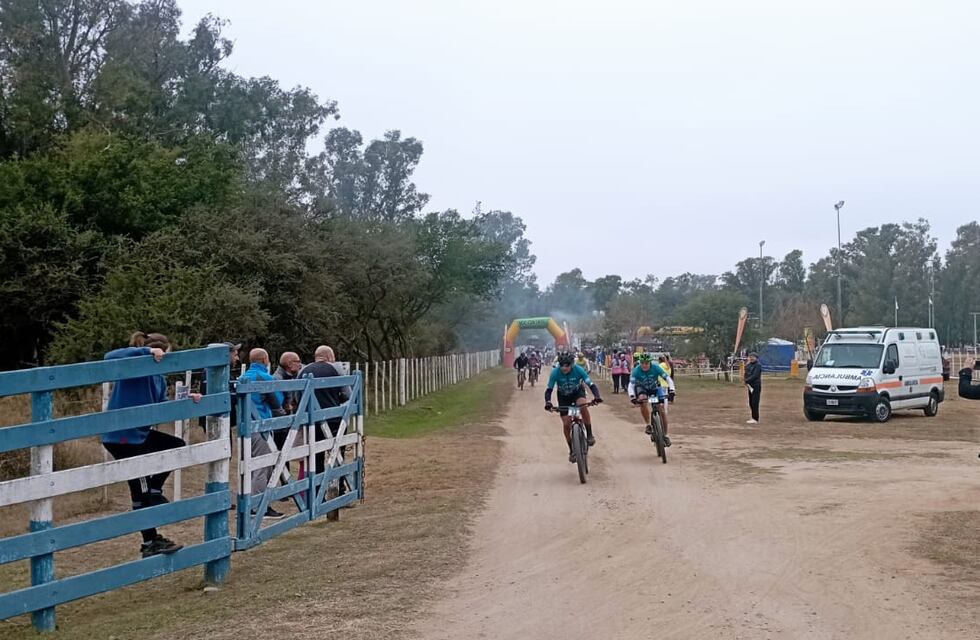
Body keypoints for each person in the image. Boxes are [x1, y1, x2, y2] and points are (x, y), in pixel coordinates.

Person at [102, 331, 203, 558]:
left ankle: (156, 491)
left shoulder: (159, 378)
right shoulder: (133, 366)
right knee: (140, 489)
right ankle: (150, 542)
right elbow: (110, 356)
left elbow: (162, 406)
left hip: (140, 435)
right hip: (122, 439)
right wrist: (146, 351)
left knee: (175, 446)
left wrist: (187, 400)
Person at [239, 348, 287, 520]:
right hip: (261, 427)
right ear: (265, 359)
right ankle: (258, 506)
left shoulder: (242, 378)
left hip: (244, 428)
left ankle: (249, 503)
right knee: (263, 467)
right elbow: (277, 400)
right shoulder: (265, 378)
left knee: (248, 467)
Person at [299, 346, 352, 475]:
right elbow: (347, 394)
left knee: (315, 456)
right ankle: (338, 484)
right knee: (337, 455)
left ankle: (317, 485)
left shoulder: (303, 370)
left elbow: (298, 396)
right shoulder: (336, 368)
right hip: (334, 419)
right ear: (329, 356)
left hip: (311, 421)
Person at [544, 353, 603, 462]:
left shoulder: (578, 370)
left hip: (577, 393)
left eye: (567, 365)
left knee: (582, 405)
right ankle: (571, 450)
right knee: (566, 423)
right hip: (563, 397)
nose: (564, 368)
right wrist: (548, 402)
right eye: (562, 365)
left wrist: (597, 396)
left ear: (571, 364)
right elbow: (549, 390)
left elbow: (590, 384)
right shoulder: (555, 372)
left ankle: (589, 434)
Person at [628, 353, 675, 446]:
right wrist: (632, 396)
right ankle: (648, 424)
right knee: (642, 400)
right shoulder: (636, 371)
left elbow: (668, 379)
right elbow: (631, 385)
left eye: (647, 363)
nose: (644, 365)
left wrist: (672, 390)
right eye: (642, 363)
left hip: (655, 388)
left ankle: (665, 435)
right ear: (640, 362)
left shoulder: (656, 367)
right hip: (642, 388)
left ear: (650, 362)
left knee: (662, 409)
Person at [744, 352, 763, 424]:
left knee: (755, 402)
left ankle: (755, 418)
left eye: (753, 357)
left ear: (756, 358)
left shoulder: (758, 365)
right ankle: (753, 417)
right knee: (751, 402)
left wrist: (747, 380)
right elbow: (746, 374)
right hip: (750, 386)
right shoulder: (748, 365)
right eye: (750, 357)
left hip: (756, 385)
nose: (751, 358)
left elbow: (755, 375)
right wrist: (745, 380)